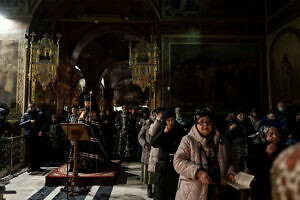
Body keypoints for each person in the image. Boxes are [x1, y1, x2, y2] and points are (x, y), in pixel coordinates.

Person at [173, 109, 237, 200]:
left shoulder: (222, 141)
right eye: (201, 122)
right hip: (193, 192)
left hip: (217, 191)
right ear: (196, 124)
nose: (205, 125)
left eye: (208, 122)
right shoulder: (188, 140)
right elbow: (178, 161)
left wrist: (231, 172)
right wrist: (198, 172)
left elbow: (232, 160)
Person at [150, 108, 186, 200]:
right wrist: (163, 133)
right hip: (163, 164)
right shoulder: (162, 127)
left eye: (172, 120)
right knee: (161, 193)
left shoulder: (179, 129)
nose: (170, 122)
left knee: (173, 192)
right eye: (168, 120)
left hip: (176, 164)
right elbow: (154, 143)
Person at [247, 123, 286, 200]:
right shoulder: (256, 148)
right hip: (262, 188)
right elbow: (254, 168)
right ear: (264, 135)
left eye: (277, 134)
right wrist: (267, 154)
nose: (275, 136)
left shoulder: (283, 148)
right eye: (271, 134)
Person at [19, 102, 45, 172]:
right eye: (29, 107)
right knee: (30, 151)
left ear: (34, 107)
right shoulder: (25, 114)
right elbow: (21, 124)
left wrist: (41, 131)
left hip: (37, 135)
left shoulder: (39, 114)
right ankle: (31, 166)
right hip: (29, 135)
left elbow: (43, 124)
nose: (30, 108)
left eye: (32, 107)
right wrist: (29, 121)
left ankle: (37, 167)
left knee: (37, 151)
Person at [138, 110, 156, 198]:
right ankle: (149, 188)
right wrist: (145, 144)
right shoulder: (147, 123)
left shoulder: (160, 123)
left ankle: (157, 189)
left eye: (156, 115)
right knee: (149, 171)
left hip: (157, 151)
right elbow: (140, 136)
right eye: (153, 115)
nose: (155, 116)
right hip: (148, 151)